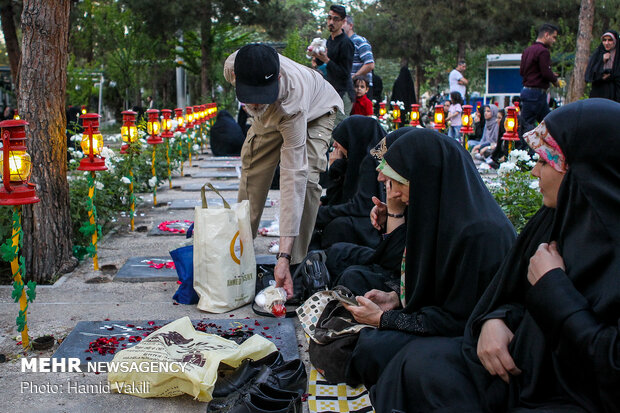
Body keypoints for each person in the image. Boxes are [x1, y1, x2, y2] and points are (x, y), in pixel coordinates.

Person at [372, 98, 620, 413]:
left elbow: (610, 368)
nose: (534, 171)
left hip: (569, 393)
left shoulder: (482, 233)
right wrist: (495, 319)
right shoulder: (555, 221)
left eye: (544, 162)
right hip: (518, 365)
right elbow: (507, 294)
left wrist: (555, 289)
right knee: (415, 365)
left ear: (584, 172)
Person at [340, 129, 515, 388]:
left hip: (469, 339)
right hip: (438, 319)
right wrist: (396, 299)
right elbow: (426, 284)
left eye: (398, 182)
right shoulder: (434, 207)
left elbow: (458, 320)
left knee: (373, 350)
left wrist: (385, 319)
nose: (393, 193)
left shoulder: (480, 235)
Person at [223, 43, 343, 298]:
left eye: (260, 94)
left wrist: (283, 256)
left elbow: (292, 178)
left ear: (276, 79)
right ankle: (238, 254)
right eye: (248, 93)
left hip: (314, 112)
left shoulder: (292, 102)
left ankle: (294, 267)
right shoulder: (232, 66)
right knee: (252, 169)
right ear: (236, 78)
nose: (253, 101)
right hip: (269, 117)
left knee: (307, 180)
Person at [326, 127, 412, 296]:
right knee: (337, 253)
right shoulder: (407, 194)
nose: (379, 177)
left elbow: (397, 265)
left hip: (403, 279)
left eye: (386, 168)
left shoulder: (450, 219)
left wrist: (394, 213)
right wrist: (391, 215)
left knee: (351, 273)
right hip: (393, 262)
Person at [312, 115, 385, 250]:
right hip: (364, 218)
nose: (334, 145)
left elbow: (361, 207)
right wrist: (336, 169)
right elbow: (338, 200)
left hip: (373, 225)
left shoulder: (370, 162)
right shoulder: (356, 159)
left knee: (337, 227)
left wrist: (319, 213)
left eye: (339, 140)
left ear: (353, 138)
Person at [311, 5, 354, 123]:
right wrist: (316, 55)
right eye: (329, 18)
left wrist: (326, 60)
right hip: (330, 92)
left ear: (343, 22)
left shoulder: (346, 43)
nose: (331, 22)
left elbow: (345, 73)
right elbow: (323, 61)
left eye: (335, 19)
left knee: (338, 134)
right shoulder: (329, 41)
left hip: (343, 94)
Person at [520, 23, 561, 132]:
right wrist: (555, 81)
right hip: (536, 94)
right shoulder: (543, 51)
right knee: (530, 126)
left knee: (547, 123)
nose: (554, 41)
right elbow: (546, 73)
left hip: (527, 91)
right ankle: (525, 148)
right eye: (554, 37)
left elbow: (522, 71)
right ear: (546, 35)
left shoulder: (527, 50)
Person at [343, 15, 375, 95]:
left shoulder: (360, 41)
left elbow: (370, 64)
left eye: (343, 23)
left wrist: (354, 77)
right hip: (346, 88)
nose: (339, 25)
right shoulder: (341, 44)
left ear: (350, 25)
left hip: (361, 89)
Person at [585, 30, 620, 102]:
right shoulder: (598, 55)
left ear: (615, 41)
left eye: (610, 40)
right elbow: (589, 76)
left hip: (615, 94)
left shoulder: (618, 56)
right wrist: (602, 61)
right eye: (604, 40)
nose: (607, 43)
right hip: (599, 94)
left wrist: (611, 76)